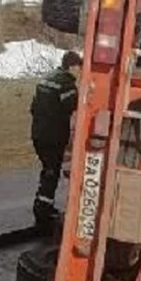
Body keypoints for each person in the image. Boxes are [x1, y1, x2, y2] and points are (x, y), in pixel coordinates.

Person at [30, 50, 82, 226]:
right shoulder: (66, 84)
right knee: (51, 172)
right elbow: (76, 107)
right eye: (79, 68)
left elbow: (33, 106)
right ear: (73, 66)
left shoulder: (47, 78)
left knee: (47, 170)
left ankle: (43, 205)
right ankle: (43, 212)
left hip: (38, 132)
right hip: (53, 135)